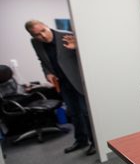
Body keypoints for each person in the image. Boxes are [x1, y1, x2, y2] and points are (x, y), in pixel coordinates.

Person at [25, 20, 95, 156]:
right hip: (63, 83)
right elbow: (42, 60)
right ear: (33, 36)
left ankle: (94, 142)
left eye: (43, 31)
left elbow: (89, 56)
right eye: (38, 35)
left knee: (86, 113)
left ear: (46, 26)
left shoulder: (67, 35)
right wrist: (48, 73)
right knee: (74, 113)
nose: (43, 36)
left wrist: (76, 48)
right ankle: (81, 141)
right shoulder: (35, 43)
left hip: (78, 81)